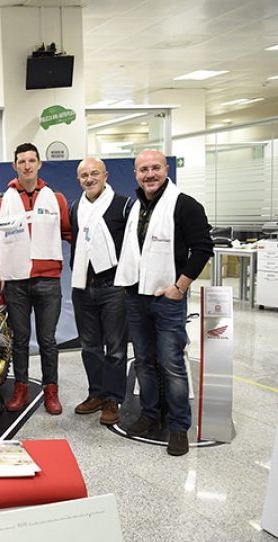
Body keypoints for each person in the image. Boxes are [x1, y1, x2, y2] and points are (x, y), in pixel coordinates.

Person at [115, 149, 214, 456]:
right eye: (143, 169)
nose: (150, 174)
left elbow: (203, 248)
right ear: (136, 174)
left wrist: (180, 287)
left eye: (155, 168)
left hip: (167, 299)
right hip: (137, 297)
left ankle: (179, 426)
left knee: (171, 363)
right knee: (144, 361)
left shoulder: (185, 204)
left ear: (166, 169)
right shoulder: (135, 206)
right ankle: (150, 413)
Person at [0, 142, 71, 415]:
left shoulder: (56, 199)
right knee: (20, 339)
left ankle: (51, 390)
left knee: (47, 340)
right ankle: (21, 388)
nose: (27, 166)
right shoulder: (2, 203)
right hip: (15, 281)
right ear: (15, 166)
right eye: (22, 161)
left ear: (39, 164)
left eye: (31, 161)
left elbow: (69, 233)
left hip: (48, 281)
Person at [69, 157, 131, 425]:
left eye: (94, 173)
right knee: (89, 347)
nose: (89, 179)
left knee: (115, 349)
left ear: (105, 176)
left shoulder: (124, 205)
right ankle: (96, 393)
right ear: (79, 180)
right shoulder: (75, 208)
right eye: (84, 175)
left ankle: (112, 399)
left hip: (113, 286)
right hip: (83, 286)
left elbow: (132, 246)